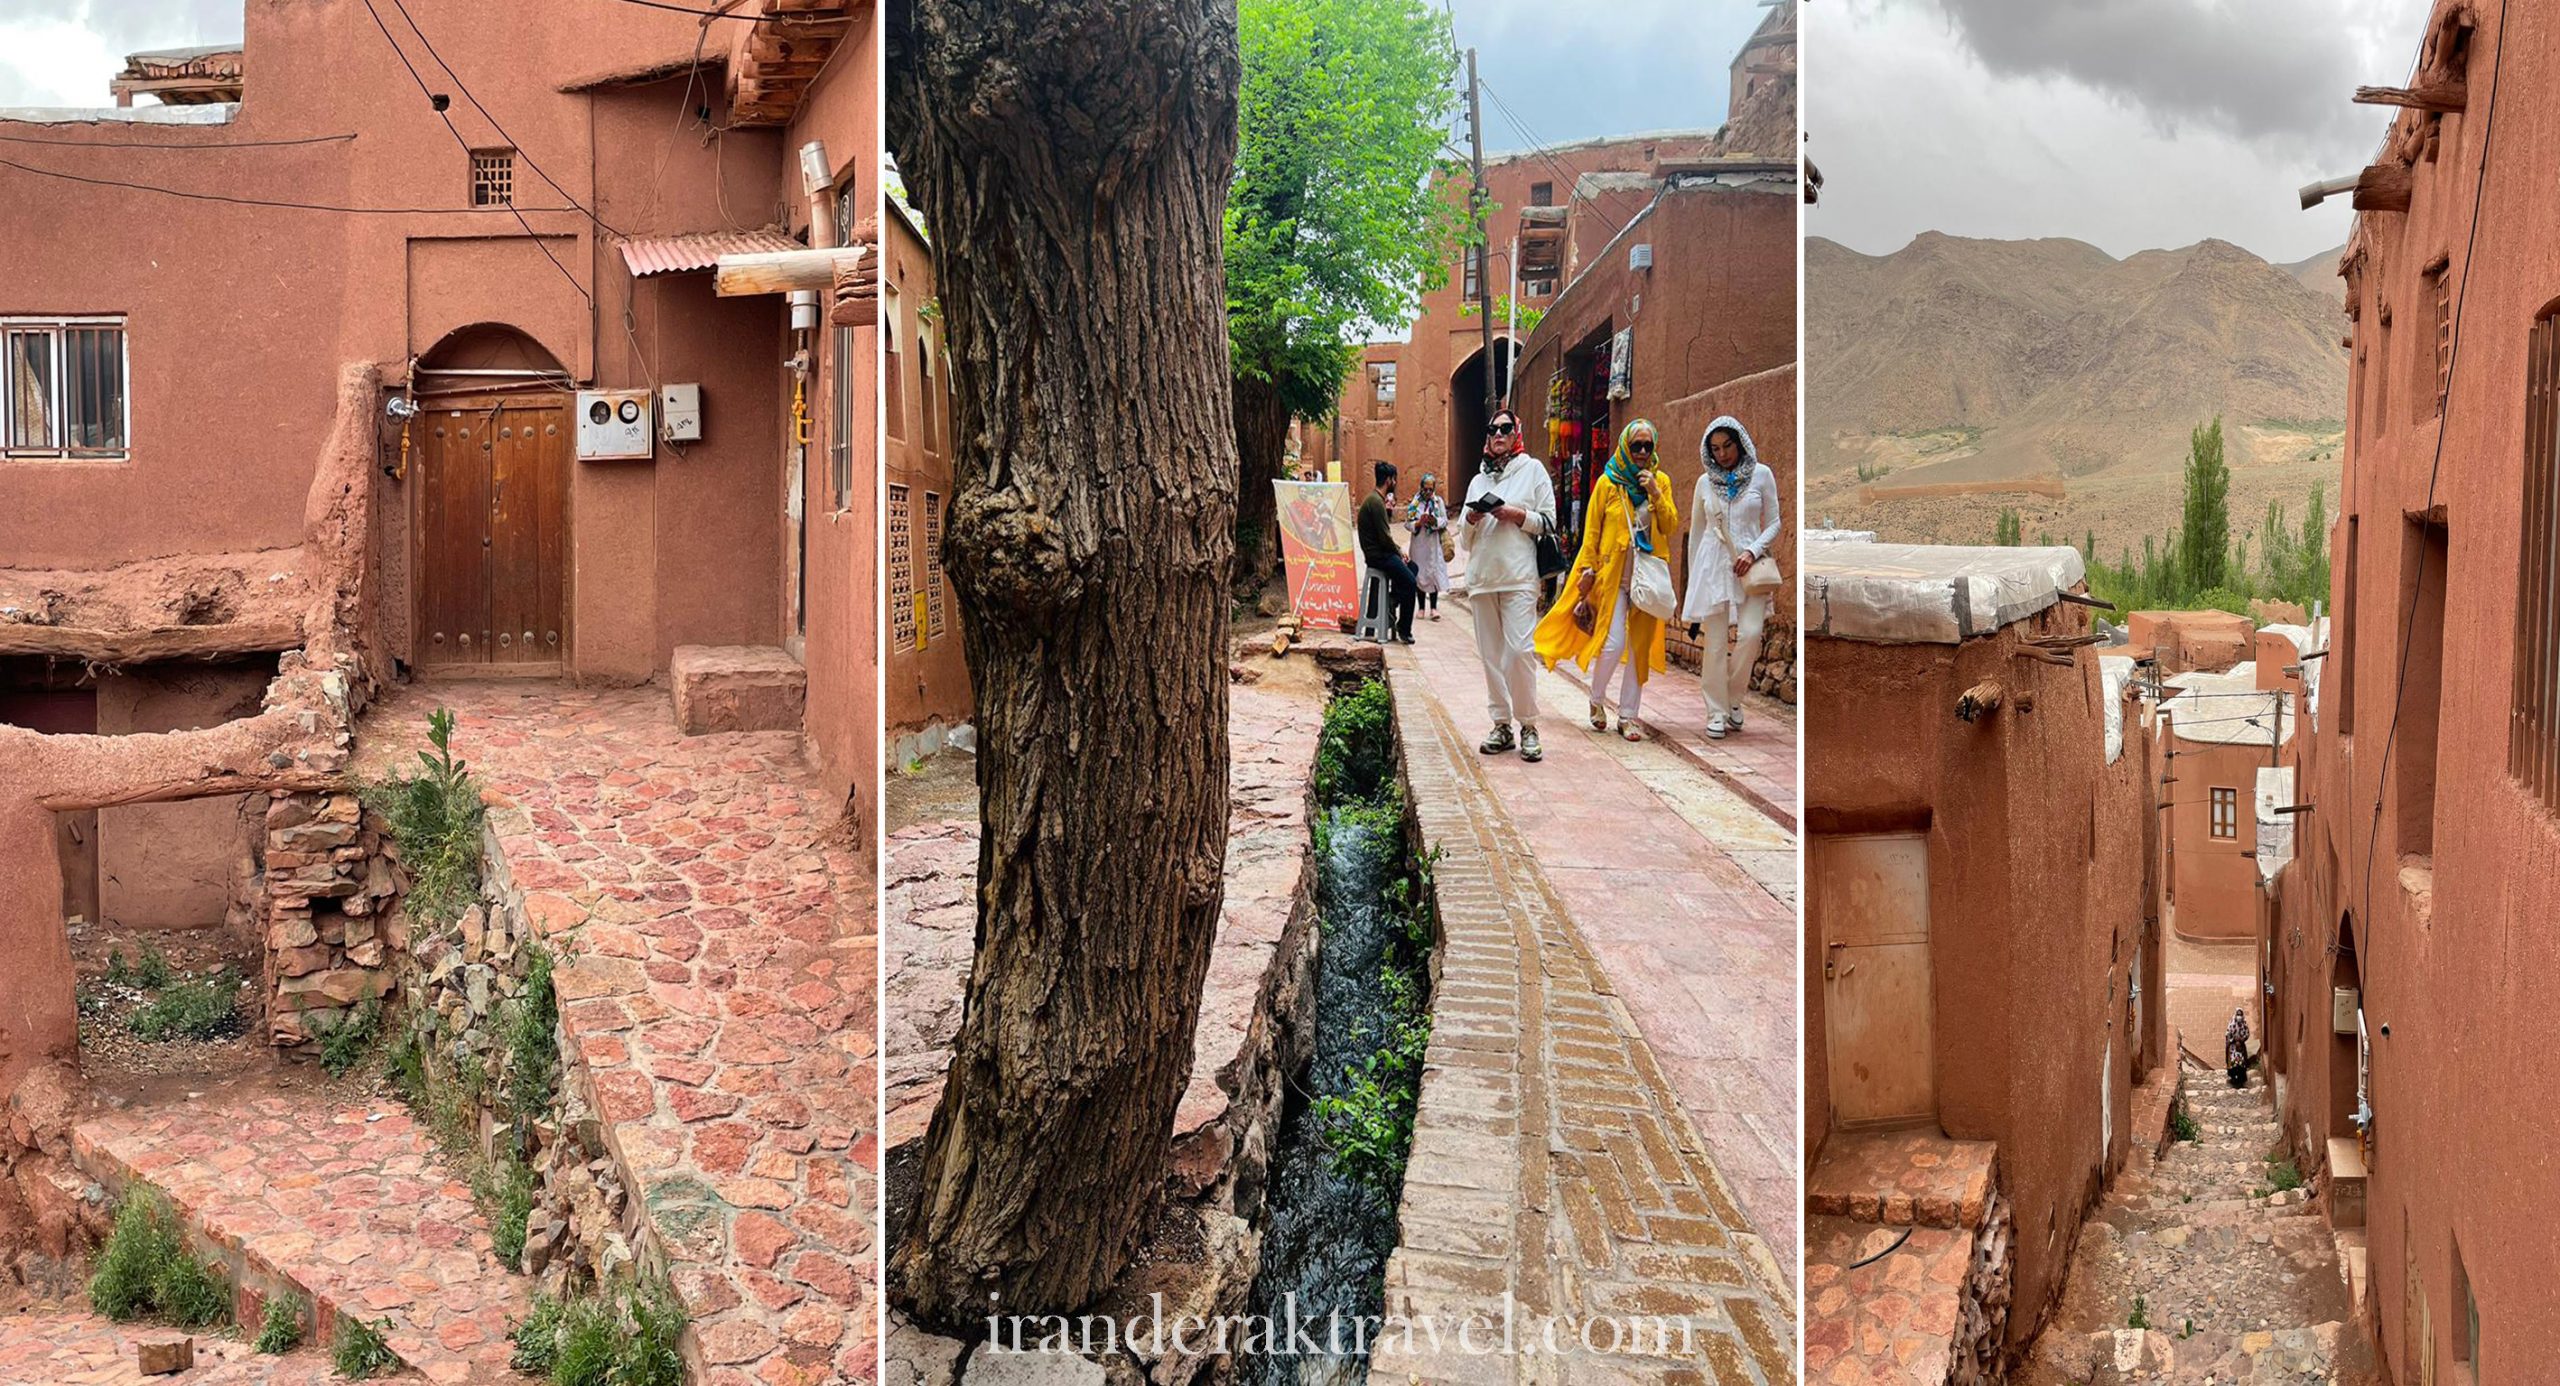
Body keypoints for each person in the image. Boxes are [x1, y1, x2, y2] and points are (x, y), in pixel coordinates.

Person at [1534, 419, 1678, 741]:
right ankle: (1596, 699)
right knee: (1612, 644)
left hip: (1647, 579)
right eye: (1636, 445)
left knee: (1638, 649)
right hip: (1611, 577)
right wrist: (1586, 570)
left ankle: (1628, 716)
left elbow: (1669, 525)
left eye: (1647, 446)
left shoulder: (1662, 482)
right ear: (1626, 446)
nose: (1641, 452)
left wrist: (1655, 491)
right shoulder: (1608, 483)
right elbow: (1592, 533)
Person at [1461, 409, 1558, 762]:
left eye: (1505, 428)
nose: (1498, 434)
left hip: (1519, 576)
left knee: (1519, 652)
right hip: (1483, 579)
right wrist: (1472, 517)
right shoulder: (1478, 481)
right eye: (1493, 429)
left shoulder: (1532, 471)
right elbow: (1463, 538)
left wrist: (1517, 514)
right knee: (1491, 657)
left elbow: (1548, 522)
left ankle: (1528, 725)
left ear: (1516, 433)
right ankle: (1501, 724)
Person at [1681, 415, 1782, 739]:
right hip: (1713, 567)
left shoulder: (1762, 475)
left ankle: (1733, 699)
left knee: (1751, 634)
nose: (1722, 454)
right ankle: (1715, 710)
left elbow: (1774, 523)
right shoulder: (1704, 483)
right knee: (1714, 643)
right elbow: (1697, 533)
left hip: (1751, 567)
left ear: (1740, 443)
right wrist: (1694, 581)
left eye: (1727, 446)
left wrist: (1752, 550)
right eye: (1715, 448)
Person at [1357, 462, 1417, 644]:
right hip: (1379, 556)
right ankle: (1404, 629)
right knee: (1410, 582)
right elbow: (1384, 538)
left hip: (1381, 554)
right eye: (1394, 479)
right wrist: (1399, 552)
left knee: (1412, 567)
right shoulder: (1375, 502)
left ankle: (1392, 600)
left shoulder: (1376, 500)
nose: (1395, 482)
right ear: (1390, 480)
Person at [1406, 474, 1449, 620]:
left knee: (1433, 573)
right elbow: (1407, 523)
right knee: (1420, 574)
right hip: (1419, 544)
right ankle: (1421, 608)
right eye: (1426, 489)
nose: (1428, 492)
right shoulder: (1415, 503)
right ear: (1421, 487)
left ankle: (1434, 608)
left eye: (1431, 489)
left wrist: (1434, 521)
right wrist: (1418, 523)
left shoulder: (1438, 502)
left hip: (1433, 542)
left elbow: (1444, 520)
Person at [2226, 1008, 2252, 1088]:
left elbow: (2247, 1034)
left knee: (2241, 1063)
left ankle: (2241, 1080)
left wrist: (2241, 1039)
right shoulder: (2231, 1024)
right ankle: (2234, 1079)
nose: (2239, 1016)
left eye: (2240, 1015)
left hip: (2241, 1048)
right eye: (2238, 1014)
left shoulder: (2244, 1024)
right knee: (2234, 1063)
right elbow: (2228, 1033)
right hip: (2233, 1048)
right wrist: (2234, 1039)